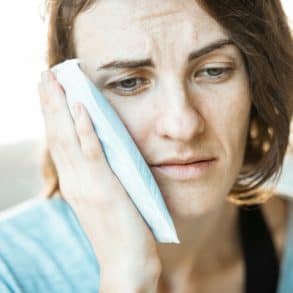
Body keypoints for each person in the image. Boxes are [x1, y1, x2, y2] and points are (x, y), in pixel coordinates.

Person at [0, 0, 292, 292]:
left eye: (214, 70)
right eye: (129, 82)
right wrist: (127, 276)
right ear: (66, 99)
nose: (183, 126)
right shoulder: (9, 271)